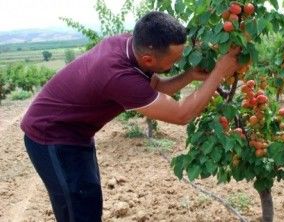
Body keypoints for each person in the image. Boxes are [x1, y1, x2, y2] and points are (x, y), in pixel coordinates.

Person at [21, 11, 240, 222]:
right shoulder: (118, 75)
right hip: (50, 136)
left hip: (75, 133)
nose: (175, 64)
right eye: (172, 61)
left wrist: (190, 75)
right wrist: (219, 72)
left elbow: (157, 87)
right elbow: (182, 114)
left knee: (87, 200)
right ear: (147, 59)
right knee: (79, 209)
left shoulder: (128, 45)